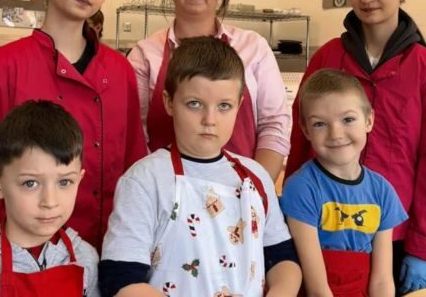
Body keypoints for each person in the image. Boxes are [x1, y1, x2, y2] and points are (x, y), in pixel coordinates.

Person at [284, 0, 426, 294]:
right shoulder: (327, 58)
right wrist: (288, 219)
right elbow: (300, 141)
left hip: (394, 235)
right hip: (322, 230)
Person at [0, 0, 148, 252]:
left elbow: (135, 166)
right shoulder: (3, 66)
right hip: (27, 257)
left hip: (110, 249)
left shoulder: (120, 71)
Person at [100, 36, 301, 297]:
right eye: (194, 104)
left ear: (239, 105)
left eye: (224, 106)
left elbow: (282, 259)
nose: (209, 119)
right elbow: (120, 279)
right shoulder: (145, 180)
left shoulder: (256, 177)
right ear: (169, 102)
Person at [128, 0, 290, 182]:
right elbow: (136, 137)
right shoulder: (145, 55)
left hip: (242, 192)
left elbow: (274, 125)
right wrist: (163, 193)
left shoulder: (254, 47)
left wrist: (254, 188)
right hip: (167, 194)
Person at [0, 100, 100, 296]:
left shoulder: (86, 259)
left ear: (80, 180)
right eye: (30, 183)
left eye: (64, 182)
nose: (50, 202)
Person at [281, 69, 408, 296]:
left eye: (348, 119)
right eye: (320, 124)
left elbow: (382, 280)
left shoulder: (383, 191)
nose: (336, 134)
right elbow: (317, 289)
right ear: (305, 129)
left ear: (369, 120)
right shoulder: (301, 188)